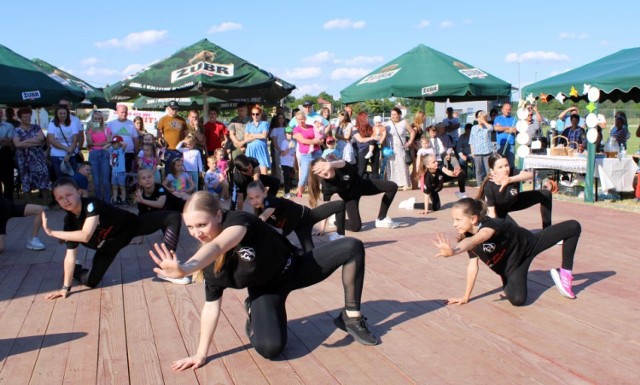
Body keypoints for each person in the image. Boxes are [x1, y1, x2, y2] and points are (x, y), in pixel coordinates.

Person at [150, 192, 377, 369]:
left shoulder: (238, 220)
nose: (196, 232)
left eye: (202, 225)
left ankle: (351, 317)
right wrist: (200, 354)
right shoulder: (210, 266)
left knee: (352, 247)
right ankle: (254, 311)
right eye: (190, 227)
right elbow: (211, 306)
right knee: (271, 349)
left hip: (295, 268)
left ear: (219, 215)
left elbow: (220, 244)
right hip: (266, 289)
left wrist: (187, 267)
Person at [43, 177, 185, 299]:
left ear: (79, 192)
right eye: (60, 198)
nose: (65, 200)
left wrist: (52, 232)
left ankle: (168, 268)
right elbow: (70, 256)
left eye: (68, 194)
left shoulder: (92, 204)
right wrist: (65, 288)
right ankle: (77, 269)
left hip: (131, 228)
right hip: (108, 247)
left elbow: (85, 235)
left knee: (172, 216)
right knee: (91, 282)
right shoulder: (70, 224)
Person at [433, 198, 581, 306]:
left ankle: (565, 274)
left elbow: (479, 238)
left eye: (458, 220)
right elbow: (472, 265)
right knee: (518, 300)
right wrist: (465, 296)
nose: (454, 224)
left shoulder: (490, 225)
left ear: (473, 219)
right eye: (454, 220)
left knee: (573, 227)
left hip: (530, 245)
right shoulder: (467, 237)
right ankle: (506, 277)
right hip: (513, 267)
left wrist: (453, 251)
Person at [246, 181, 346, 251]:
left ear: (264, 193)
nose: (255, 201)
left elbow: (267, 213)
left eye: (257, 197)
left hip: (308, 216)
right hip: (300, 228)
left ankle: (340, 236)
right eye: (251, 198)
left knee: (339, 205)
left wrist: (252, 224)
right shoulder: (259, 210)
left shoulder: (270, 201)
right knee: (310, 255)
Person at [309, 158, 399, 230]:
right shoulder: (327, 186)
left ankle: (381, 219)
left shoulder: (341, 168)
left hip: (362, 185)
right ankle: (335, 221)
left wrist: (331, 164)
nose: (323, 172)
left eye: (323, 168)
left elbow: (342, 162)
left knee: (392, 187)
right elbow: (327, 207)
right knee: (355, 227)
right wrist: (321, 229)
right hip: (350, 198)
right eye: (319, 172)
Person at [476, 153, 552, 229]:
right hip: (499, 211)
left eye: (506, 165)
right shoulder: (489, 185)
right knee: (518, 234)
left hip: (514, 202)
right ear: (492, 171)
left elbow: (531, 174)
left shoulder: (513, 173)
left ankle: (547, 229)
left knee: (546, 194)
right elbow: (492, 214)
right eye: (500, 167)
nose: (505, 169)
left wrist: (510, 179)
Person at [12, 108, 50, 204]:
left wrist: (24, 142)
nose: (27, 118)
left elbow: (41, 139)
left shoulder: (36, 127)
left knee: (44, 179)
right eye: (25, 117)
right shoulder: (16, 130)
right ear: (20, 118)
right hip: (24, 160)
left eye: (28, 116)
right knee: (25, 181)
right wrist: (34, 141)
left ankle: (45, 204)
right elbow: (17, 144)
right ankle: (31, 204)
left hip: (39, 159)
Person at [292, 111, 323, 198]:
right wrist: (315, 141)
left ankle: (317, 192)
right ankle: (299, 193)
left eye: (302, 119)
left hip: (316, 152)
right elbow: (303, 141)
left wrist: (320, 140)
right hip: (305, 154)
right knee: (304, 175)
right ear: (296, 120)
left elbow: (319, 135)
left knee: (319, 173)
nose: (301, 121)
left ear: (305, 119)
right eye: (299, 119)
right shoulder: (296, 129)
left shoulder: (311, 127)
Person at [385, 107, 415, 190]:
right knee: (391, 165)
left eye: (395, 114)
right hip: (391, 149)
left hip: (401, 148)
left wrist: (409, 142)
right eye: (392, 114)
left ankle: (404, 183)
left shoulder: (404, 122)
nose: (393, 116)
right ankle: (392, 183)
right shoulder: (387, 124)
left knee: (402, 165)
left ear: (399, 115)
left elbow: (412, 132)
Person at [47, 104, 79, 180]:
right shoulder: (52, 125)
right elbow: (51, 140)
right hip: (56, 154)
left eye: (64, 113)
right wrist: (66, 148)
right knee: (60, 178)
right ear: (56, 114)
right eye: (60, 113)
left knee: (72, 177)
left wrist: (69, 153)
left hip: (71, 154)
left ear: (67, 114)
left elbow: (75, 139)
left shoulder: (73, 124)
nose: (62, 115)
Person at [86, 110, 112, 201]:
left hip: (104, 153)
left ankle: (107, 201)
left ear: (102, 119)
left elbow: (109, 142)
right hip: (93, 154)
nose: (97, 120)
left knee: (105, 180)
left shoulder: (106, 129)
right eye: (95, 118)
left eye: (99, 118)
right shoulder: (90, 130)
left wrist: (95, 144)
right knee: (96, 181)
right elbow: (89, 143)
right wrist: (87, 131)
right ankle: (99, 200)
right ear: (92, 119)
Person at [106, 105, 139, 174]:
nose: (124, 114)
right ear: (117, 112)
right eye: (122, 112)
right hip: (115, 153)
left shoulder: (131, 124)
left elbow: (135, 139)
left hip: (128, 153)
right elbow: (107, 139)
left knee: (127, 172)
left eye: (125, 112)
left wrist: (136, 152)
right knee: (115, 172)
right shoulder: (110, 124)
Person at [156, 101, 188, 170]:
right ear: (168, 108)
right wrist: (160, 143)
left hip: (179, 149)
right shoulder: (163, 119)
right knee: (168, 168)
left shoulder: (182, 120)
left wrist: (186, 145)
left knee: (179, 169)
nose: (174, 111)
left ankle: (178, 181)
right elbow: (159, 135)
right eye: (172, 109)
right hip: (168, 149)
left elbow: (186, 134)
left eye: (176, 109)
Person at [244, 105, 271, 175]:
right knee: (251, 173)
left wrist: (252, 135)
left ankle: (265, 186)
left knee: (264, 173)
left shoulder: (265, 124)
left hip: (261, 151)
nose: (255, 116)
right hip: (251, 150)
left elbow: (264, 136)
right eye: (253, 114)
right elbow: (246, 139)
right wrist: (259, 135)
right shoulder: (248, 125)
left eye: (257, 114)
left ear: (260, 114)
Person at [469, 110, 494, 186]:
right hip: (477, 152)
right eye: (480, 117)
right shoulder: (474, 128)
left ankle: (490, 183)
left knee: (488, 169)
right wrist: (472, 151)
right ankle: (479, 184)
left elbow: (491, 129)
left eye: (483, 117)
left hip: (487, 151)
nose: (481, 119)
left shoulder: (487, 127)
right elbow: (471, 140)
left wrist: (485, 122)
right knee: (478, 169)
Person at [271, 125, 295, 198]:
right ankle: (286, 192)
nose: (289, 135)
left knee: (290, 177)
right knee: (286, 177)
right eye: (288, 133)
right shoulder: (284, 142)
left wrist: (295, 164)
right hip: (284, 163)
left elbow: (294, 153)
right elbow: (283, 153)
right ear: (285, 135)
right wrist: (289, 147)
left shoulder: (293, 142)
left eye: (291, 133)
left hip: (291, 163)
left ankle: (289, 192)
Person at [353, 111, 379, 178]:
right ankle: (358, 186)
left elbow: (376, 136)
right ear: (362, 118)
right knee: (361, 170)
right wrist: (372, 137)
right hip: (363, 150)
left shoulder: (370, 127)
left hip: (374, 148)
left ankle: (375, 185)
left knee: (375, 170)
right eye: (367, 117)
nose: (368, 119)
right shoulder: (355, 128)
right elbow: (360, 140)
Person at [493, 103, 516, 169]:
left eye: (509, 110)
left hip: (511, 144)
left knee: (510, 164)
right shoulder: (498, 118)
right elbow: (496, 128)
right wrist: (509, 128)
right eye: (506, 109)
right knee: (500, 163)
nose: (507, 111)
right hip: (500, 144)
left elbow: (514, 130)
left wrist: (502, 128)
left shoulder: (513, 119)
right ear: (502, 110)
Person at [0, 108, 15, 200]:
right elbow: (5, 140)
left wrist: (7, 141)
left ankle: (9, 202)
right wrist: (3, 139)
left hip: (5, 153)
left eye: (0, 113)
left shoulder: (9, 126)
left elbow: (10, 141)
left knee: (8, 179)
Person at [108, 136, 127, 205]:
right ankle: (115, 200)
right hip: (114, 172)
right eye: (113, 143)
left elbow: (125, 144)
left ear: (119, 144)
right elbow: (104, 148)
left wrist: (119, 142)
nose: (114, 144)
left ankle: (124, 200)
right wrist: (111, 143)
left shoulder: (121, 150)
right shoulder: (111, 150)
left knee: (122, 186)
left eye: (115, 143)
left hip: (121, 171)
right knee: (114, 187)